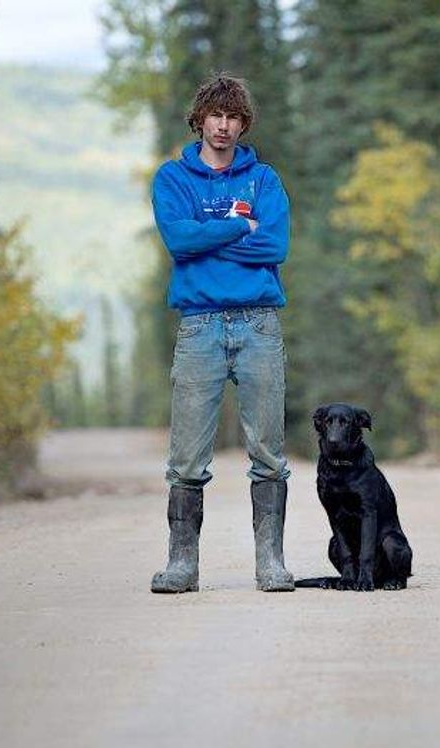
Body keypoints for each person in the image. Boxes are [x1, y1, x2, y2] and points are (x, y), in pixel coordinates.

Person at [148, 73, 294, 593]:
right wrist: (238, 227)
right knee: (187, 455)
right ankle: (182, 564)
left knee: (268, 451)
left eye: (233, 117)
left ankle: (270, 563)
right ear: (199, 119)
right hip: (199, 326)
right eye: (216, 115)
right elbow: (178, 239)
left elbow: (274, 246)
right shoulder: (172, 179)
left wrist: (207, 240)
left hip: (259, 324)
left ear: (243, 123)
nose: (224, 126)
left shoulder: (264, 180)